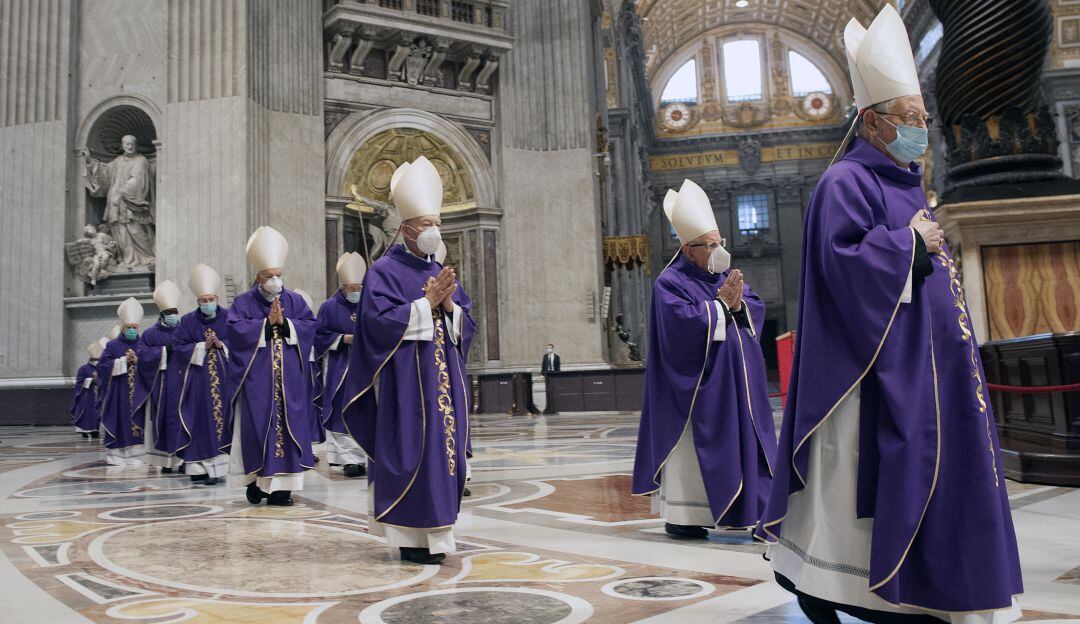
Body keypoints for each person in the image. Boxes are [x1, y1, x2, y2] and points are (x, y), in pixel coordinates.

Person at [754, 6, 1023, 623]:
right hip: (871, 373)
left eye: (924, 118)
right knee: (854, 485)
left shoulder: (906, 179)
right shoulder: (844, 182)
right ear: (871, 122)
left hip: (932, 363)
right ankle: (841, 586)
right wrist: (910, 249)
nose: (919, 130)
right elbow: (842, 264)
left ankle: (942, 577)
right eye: (908, 119)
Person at [343, 156, 477, 565]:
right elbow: (376, 324)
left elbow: (465, 325)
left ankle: (438, 534)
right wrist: (424, 305)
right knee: (413, 450)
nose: (434, 231)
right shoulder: (383, 270)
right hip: (406, 386)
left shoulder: (439, 269)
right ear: (405, 229)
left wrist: (450, 305)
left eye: (437, 223)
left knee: (443, 452)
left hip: (443, 384)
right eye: (426, 225)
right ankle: (408, 536)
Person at [632, 179, 776, 540]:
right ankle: (688, 515)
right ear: (688, 248)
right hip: (697, 392)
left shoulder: (726, 276)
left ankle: (751, 508)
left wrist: (738, 305)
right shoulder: (670, 282)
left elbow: (755, 306)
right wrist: (718, 308)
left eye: (720, 243)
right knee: (696, 456)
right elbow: (679, 328)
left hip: (737, 388)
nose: (718, 251)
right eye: (709, 245)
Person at [227, 226, 318, 506]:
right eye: (270, 276)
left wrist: (286, 324)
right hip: (258, 381)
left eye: (279, 275)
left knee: (290, 427)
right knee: (257, 427)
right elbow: (234, 329)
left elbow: (309, 326)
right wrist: (265, 325)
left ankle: (282, 489)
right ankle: (255, 481)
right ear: (258, 277)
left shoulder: (294, 300)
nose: (276, 281)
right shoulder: (243, 302)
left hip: (289, 379)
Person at [173, 264, 233, 485]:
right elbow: (178, 348)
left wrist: (222, 344)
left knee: (222, 420)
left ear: (217, 298)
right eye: (203, 301)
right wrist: (200, 346)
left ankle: (219, 469)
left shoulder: (229, 317)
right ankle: (197, 467)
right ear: (197, 301)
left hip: (225, 379)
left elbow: (242, 343)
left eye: (211, 299)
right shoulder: (187, 321)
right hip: (197, 381)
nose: (208, 304)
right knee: (198, 419)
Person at [315, 252, 368, 477]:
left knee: (364, 409)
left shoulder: (370, 303)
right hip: (339, 365)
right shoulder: (329, 306)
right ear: (343, 287)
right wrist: (343, 339)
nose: (356, 293)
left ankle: (366, 457)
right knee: (340, 410)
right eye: (352, 289)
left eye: (359, 288)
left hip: (366, 366)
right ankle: (348, 459)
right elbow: (317, 335)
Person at [138, 280, 185, 472]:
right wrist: (164, 351)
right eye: (168, 313)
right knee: (165, 421)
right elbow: (142, 355)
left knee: (183, 419)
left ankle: (183, 459)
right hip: (162, 384)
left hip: (183, 382)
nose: (173, 316)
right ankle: (166, 461)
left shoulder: (184, 329)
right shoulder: (150, 334)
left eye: (174, 312)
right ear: (161, 314)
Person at [97, 297, 148, 466]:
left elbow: (151, 364)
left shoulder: (143, 344)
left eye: (134, 327)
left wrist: (138, 360)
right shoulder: (113, 345)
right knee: (119, 420)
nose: (132, 330)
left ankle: (137, 456)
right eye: (128, 328)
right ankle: (117, 456)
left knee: (138, 421)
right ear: (123, 328)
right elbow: (103, 366)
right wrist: (122, 361)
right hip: (119, 393)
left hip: (139, 393)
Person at [72, 338, 107, 439]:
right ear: (91, 359)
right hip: (87, 395)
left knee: (97, 413)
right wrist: (91, 380)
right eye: (95, 360)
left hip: (99, 394)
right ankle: (85, 430)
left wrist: (99, 379)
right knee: (88, 413)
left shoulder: (102, 367)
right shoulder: (83, 369)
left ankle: (95, 430)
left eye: (98, 360)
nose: (97, 361)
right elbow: (79, 382)